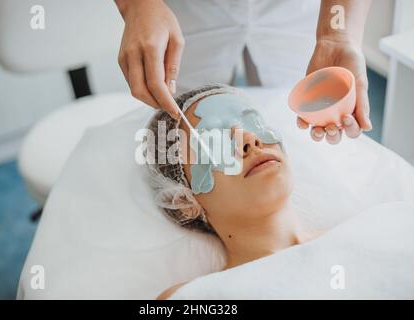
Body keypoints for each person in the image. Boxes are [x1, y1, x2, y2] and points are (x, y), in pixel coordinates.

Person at [145, 84, 319, 300]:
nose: (249, 139)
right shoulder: (195, 298)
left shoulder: (364, 233)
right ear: (184, 201)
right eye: (213, 140)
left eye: (252, 122)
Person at [114, 0, 373, 145]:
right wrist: (137, 5)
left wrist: (337, 34)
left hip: (291, 9)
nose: (247, 142)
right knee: (186, 122)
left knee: (297, 130)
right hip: (191, 8)